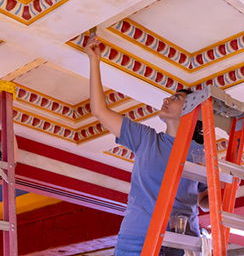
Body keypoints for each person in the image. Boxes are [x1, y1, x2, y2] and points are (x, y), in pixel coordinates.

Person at [81, 37, 207, 256]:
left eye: (176, 98)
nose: (167, 100)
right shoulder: (146, 139)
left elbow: (204, 201)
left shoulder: (199, 152)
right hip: (136, 240)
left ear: (192, 111)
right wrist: (94, 61)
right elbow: (100, 111)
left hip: (178, 243)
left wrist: (217, 197)